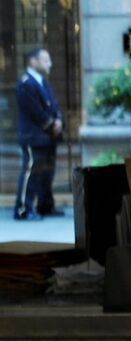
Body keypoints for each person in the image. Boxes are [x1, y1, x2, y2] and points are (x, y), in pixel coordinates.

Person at [14, 48, 63, 220]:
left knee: (46, 173)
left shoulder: (43, 82)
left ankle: (45, 206)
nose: (49, 63)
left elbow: (54, 105)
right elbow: (34, 110)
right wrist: (51, 124)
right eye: (45, 60)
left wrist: (58, 120)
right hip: (33, 136)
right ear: (33, 62)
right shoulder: (26, 83)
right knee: (31, 172)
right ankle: (23, 209)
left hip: (48, 137)